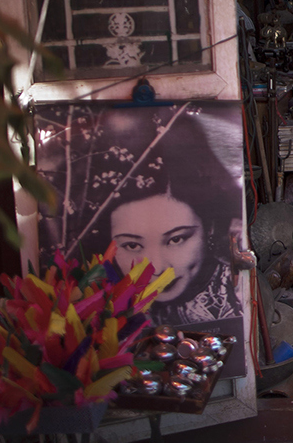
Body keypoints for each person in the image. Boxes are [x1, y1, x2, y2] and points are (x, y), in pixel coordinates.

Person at [50, 107, 243, 328]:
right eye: (132, 245)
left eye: (176, 239)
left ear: (209, 227)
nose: (157, 268)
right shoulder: (94, 303)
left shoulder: (238, 289)